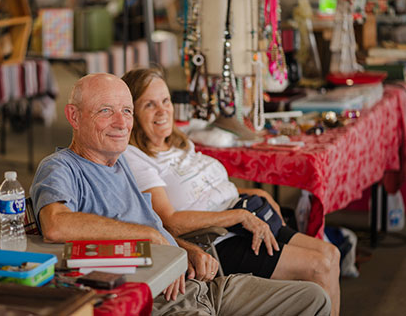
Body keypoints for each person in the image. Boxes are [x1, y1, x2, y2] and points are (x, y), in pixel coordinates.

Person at [30, 72, 331, 315]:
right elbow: (57, 224)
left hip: (201, 286)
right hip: (161, 300)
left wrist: (184, 249)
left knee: (314, 297)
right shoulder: (60, 167)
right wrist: (148, 236)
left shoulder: (121, 164)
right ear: (74, 116)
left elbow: (159, 228)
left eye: (126, 111)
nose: (121, 123)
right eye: (106, 111)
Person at [122, 68, 340, 316]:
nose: (163, 111)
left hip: (245, 216)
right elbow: (170, 222)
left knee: (331, 254)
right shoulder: (136, 157)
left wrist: (256, 192)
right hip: (218, 238)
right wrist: (239, 216)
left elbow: (207, 189)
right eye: (149, 104)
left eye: (165, 101)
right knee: (319, 267)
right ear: (132, 113)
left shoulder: (178, 142)